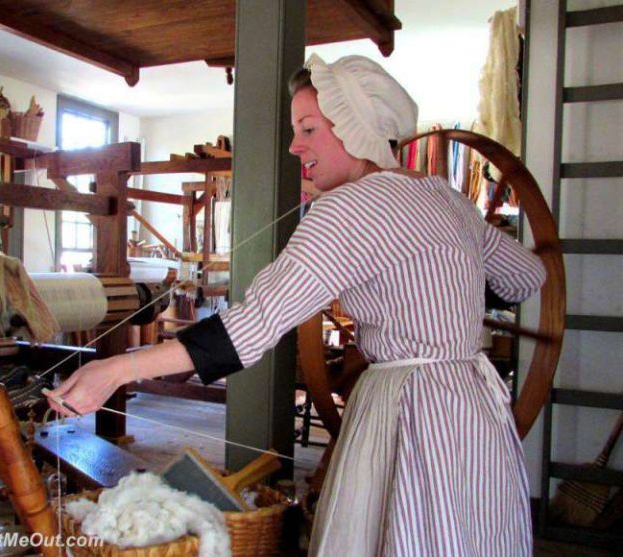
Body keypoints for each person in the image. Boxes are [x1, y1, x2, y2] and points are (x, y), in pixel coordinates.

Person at [47, 53, 545, 556]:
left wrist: (114, 371)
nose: (294, 145)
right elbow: (526, 277)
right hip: (475, 405)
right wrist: (450, 290)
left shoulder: (347, 210)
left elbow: (249, 328)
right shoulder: (445, 196)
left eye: (308, 128)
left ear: (356, 126)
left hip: (409, 409)